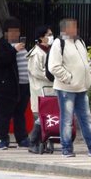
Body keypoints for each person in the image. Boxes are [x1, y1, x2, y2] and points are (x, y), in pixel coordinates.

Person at [48, 18, 91, 157]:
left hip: (81, 88)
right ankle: (66, 148)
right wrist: (68, 78)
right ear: (65, 29)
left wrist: (89, 75)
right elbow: (53, 66)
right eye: (72, 27)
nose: (76, 29)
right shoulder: (59, 43)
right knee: (67, 119)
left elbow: (87, 61)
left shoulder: (80, 41)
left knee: (86, 119)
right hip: (66, 88)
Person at [0, 18, 29, 150]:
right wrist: (14, 50)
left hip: (23, 84)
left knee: (19, 113)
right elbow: (1, 61)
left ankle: (22, 138)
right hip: (6, 86)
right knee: (4, 114)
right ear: (5, 33)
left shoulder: (22, 46)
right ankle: (2, 139)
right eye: (11, 31)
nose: (15, 34)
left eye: (17, 31)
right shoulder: (0, 46)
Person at [26, 25, 54, 154]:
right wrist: (54, 76)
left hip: (50, 89)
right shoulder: (36, 53)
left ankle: (42, 142)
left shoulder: (49, 51)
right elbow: (37, 71)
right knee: (42, 117)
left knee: (48, 117)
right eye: (48, 35)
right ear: (41, 37)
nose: (51, 37)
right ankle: (33, 142)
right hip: (40, 89)